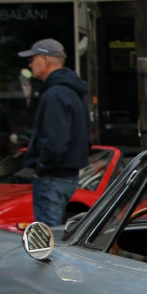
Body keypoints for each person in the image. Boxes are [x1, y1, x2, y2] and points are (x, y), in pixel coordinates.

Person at [17, 38, 91, 228]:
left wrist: (42, 167)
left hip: (52, 177)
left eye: (33, 59)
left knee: (47, 240)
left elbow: (55, 141)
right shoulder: (72, 92)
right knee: (54, 234)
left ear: (45, 60)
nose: (30, 64)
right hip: (66, 175)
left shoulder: (55, 94)